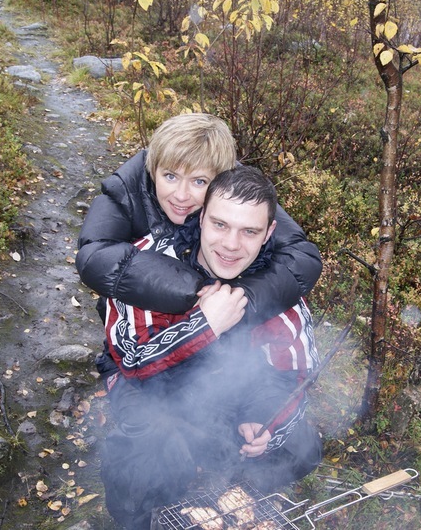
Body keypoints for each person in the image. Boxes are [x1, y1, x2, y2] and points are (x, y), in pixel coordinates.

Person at [100, 166, 322, 530]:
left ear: (268, 233)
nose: (231, 245)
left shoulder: (279, 284)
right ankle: (139, 519)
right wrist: (204, 327)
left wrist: (264, 418)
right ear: (201, 217)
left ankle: (229, 496)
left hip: (224, 390)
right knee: (148, 452)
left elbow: (294, 373)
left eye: (249, 231)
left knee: (301, 447)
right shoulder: (146, 264)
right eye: (220, 225)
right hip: (146, 385)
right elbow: (132, 361)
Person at [75, 113, 322, 376]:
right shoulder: (124, 192)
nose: (181, 195)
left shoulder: (238, 197)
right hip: (132, 314)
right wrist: (197, 291)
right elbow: (94, 258)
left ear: (219, 182)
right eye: (170, 176)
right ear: (153, 170)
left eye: (199, 181)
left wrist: (238, 301)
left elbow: (300, 258)